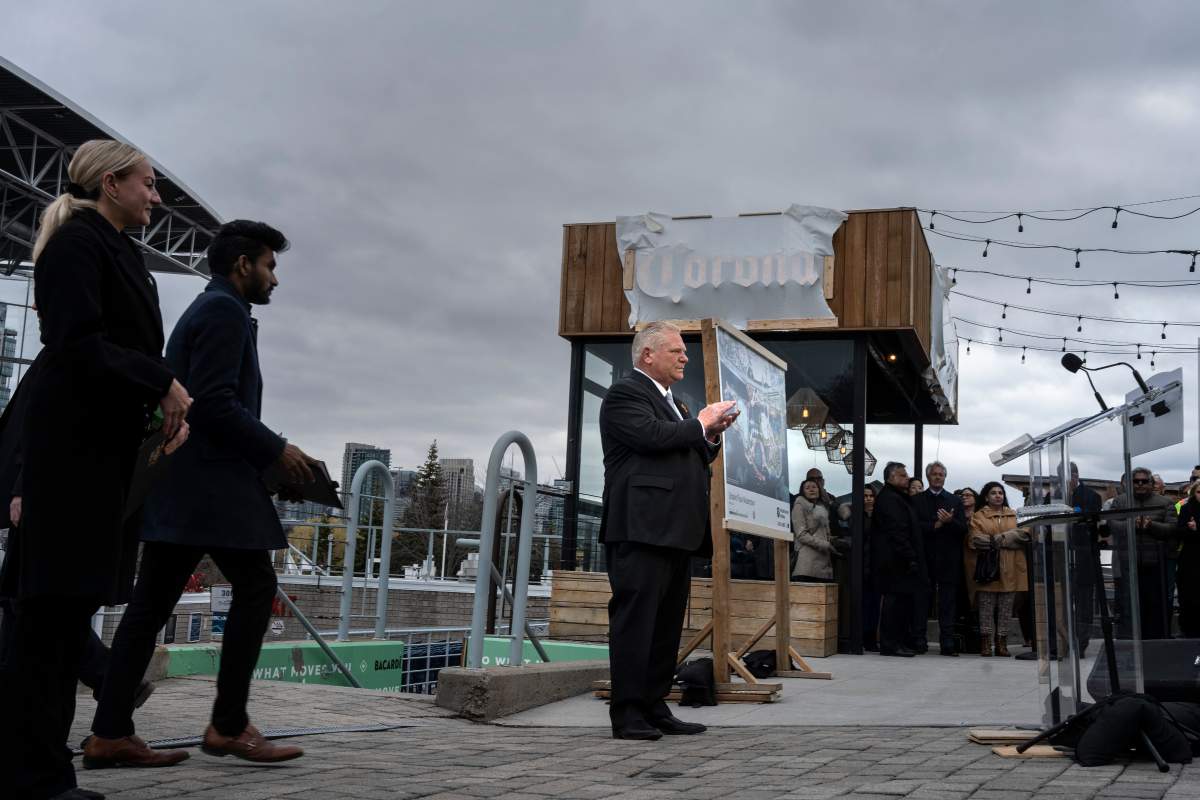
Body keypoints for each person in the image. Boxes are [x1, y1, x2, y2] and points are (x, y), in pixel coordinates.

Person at [0, 140, 193, 800]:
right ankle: (33, 776)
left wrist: (158, 405)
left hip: (97, 460)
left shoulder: (117, 251)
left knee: (60, 621)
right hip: (70, 460)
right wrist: (160, 381)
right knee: (47, 627)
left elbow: (117, 349)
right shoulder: (77, 245)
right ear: (111, 184)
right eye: (147, 183)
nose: (156, 196)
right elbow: (76, 345)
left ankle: (41, 774)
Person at [85, 221, 314, 768]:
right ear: (243, 265)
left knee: (149, 608)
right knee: (255, 588)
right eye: (269, 266)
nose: (274, 278)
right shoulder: (222, 312)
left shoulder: (214, 309)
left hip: (187, 485)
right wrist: (277, 450)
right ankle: (227, 725)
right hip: (210, 487)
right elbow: (214, 402)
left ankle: (110, 732)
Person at [597, 321, 737, 740]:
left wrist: (709, 435)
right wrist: (700, 423)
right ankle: (627, 713)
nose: (685, 357)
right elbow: (650, 436)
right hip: (640, 529)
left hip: (676, 531)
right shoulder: (625, 394)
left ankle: (655, 705)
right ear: (648, 355)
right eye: (676, 351)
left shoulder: (676, 404)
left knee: (665, 627)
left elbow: (691, 453)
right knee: (636, 624)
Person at [1103, 466, 1178, 640]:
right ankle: (1130, 640)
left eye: (1144, 481)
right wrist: (1133, 524)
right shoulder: (1120, 501)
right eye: (1136, 481)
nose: (1140, 485)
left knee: (1155, 605)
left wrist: (1150, 525)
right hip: (1128, 563)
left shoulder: (1165, 502)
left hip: (1156, 564)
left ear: (1151, 483)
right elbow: (1112, 525)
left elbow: (1172, 528)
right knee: (1129, 606)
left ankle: (1157, 641)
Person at [966, 482, 1029, 657]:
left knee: (1006, 610)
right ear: (986, 497)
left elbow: (1025, 534)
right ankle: (986, 644)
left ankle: (1002, 644)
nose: (998, 495)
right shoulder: (978, 516)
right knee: (986, 609)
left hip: (1011, 569)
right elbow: (975, 539)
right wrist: (1007, 541)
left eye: (1000, 492)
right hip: (988, 570)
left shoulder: (1015, 514)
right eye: (993, 493)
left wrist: (997, 539)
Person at [870, 462, 927, 657]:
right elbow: (897, 531)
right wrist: (910, 556)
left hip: (899, 560)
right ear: (890, 477)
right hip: (894, 561)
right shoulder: (889, 499)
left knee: (902, 603)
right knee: (894, 603)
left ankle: (899, 641)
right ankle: (890, 644)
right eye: (902, 475)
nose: (907, 478)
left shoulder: (898, 498)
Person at [911, 462, 967, 657]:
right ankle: (919, 640)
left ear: (945, 477)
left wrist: (950, 522)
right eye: (934, 474)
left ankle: (948, 643)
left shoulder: (954, 500)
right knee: (921, 601)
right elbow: (913, 527)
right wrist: (934, 525)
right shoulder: (917, 500)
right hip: (924, 558)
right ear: (928, 477)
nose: (937, 477)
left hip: (948, 559)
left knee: (947, 602)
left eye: (941, 474)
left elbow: (963, 529)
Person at [792, 479, 841, 582]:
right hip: (808, 565)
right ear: (803, 492)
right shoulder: (799, 505)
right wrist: (826, 545)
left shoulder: (822, 508)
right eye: (807, 488)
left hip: (824, 562)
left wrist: (832, 540)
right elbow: (801, 535)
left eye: (814, 487)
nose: (811, 490)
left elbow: (821, 534)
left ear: (819, 490)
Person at [1175, 481, 1200, 637]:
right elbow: (1179, 532)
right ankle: (1188, 630)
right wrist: (1191, 530)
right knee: (1189, 595)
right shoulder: (1186, 508)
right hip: (1190, 558)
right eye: (1199, 492)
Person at [860, 485, 881, 651]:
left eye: (871, 496)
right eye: (865, 496)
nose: (868, 498)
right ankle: (862, 637)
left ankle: (871, 639)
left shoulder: (880, 516)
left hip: (877, 565)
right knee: (863, 604)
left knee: (874, 605)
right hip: (861, 565)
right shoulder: (856, 515)